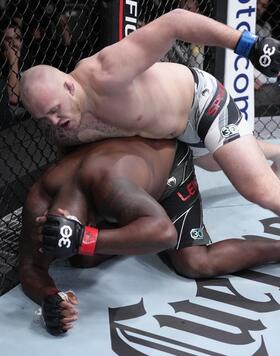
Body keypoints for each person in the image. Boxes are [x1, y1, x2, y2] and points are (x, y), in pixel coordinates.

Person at [19, 8, 280, 216]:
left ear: (69, 86)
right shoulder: (63, 130)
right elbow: (70, 171)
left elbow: (175, 22)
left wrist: (247, 45)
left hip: (200, 102)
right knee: (215, 162)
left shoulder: (106, 72)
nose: (54, 121)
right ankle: (277, 152)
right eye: (44, 118)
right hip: (176, 133)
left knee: (259, 190)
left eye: (55, 110)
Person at [20, 136, 280, 336]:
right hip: (125, 184)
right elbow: (31, 266)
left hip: (168, 173)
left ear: (88, 222)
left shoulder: (109, 185)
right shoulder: (39, 200)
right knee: (83, 259)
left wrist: (86, 240)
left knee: (195, 263)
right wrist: (50, 298)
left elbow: (165, 233)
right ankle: (130, 232)